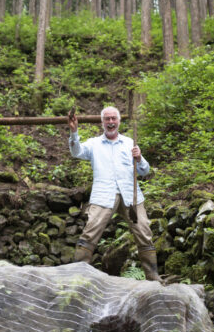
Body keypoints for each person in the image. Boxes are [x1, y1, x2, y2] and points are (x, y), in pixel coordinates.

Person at [67, 106, 161, 282]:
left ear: (119, 121)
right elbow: (76, 152)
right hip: (103, 195)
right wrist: (74, 132)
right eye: (107, 119)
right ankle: (76, 277)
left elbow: (144, 171)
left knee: (144, 232)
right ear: (102, 122)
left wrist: (139, 158)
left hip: (131, 195)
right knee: (90, 232)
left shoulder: (129, 143)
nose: (111, 122)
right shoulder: (94, 144)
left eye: (113, 119)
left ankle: (153, 276)